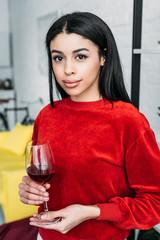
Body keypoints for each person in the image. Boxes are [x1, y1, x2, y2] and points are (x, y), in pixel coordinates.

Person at [18, 11, 160, 240]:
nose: (67, 69)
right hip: (45, 237)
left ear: (103, 57)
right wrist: (30, 189)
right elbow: (46, 181)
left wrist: (91, 212)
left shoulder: (129, 120)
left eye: (80, 56)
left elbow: (155, 203)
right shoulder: (46, 116)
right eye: (58, 57)